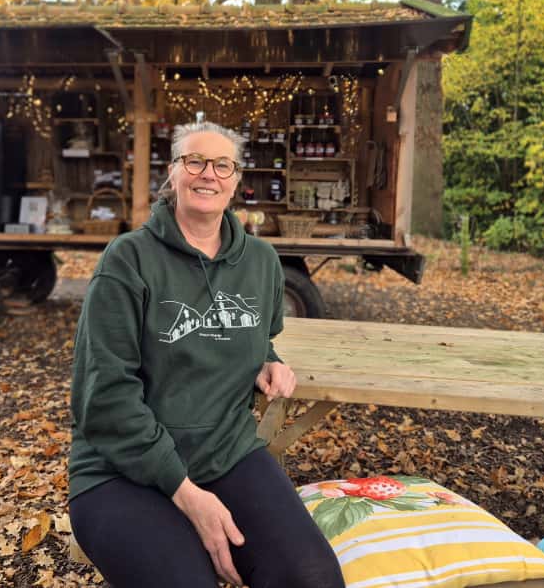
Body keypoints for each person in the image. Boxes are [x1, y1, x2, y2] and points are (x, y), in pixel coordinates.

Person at [68, 121, 344, 588]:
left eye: (222, 165)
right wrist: (187, 494)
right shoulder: (127, 260)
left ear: (237, 180)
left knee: (312, 577)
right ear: (173, 173)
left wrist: (266, 359)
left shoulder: (260, 262)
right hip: (121, 470)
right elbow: (104, 396)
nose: (207, 174)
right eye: (194, 161)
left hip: (226, 453)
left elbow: (255, 334)